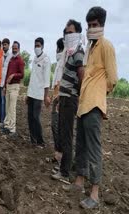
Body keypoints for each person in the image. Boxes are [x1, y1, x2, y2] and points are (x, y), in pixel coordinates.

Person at [63, 7, 118, 209]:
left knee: (94, 148)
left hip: (94, 104)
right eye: (89, 26)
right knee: (81, 146)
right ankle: (79, 180)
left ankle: (94, 193)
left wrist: (99, 93)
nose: (91, 29)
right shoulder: (90, 49)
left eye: (95, 25)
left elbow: (112, 79)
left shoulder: (107, 46)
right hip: (83, 104)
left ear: (102, 25)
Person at [52, 19, 85, 181]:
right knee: (62, 133)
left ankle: (64, 172)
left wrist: (74, 94)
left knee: (66, 135)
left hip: (70, 98)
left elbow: (81, 75)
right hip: (64, 97)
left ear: (78, 34)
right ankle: (63, 166)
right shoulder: (70, 52)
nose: (67, 35)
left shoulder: (78, 52)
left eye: (71, 32)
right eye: (66, 33)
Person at [26, 37, 51, 147]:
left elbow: (46, 80)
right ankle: (32, 139)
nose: (36, 47)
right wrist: (27, 94)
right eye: (35, 45)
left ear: (42, 46)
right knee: (30, 116)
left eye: (38, 45)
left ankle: (40, 140)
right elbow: (32, 79)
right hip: (31, 93)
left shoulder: (46, 60)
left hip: (39, 94)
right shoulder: (35, 59)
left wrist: (46, 96)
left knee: (36, 117)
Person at [2, 41, 25, 136]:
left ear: (18, 49)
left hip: (15, 86)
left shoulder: (20, 60)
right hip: (8, 86)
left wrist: (14, 75)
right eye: (13, 48)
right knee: (7, 107)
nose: (14, 49)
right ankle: (7, 126)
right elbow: (7, 73)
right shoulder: (11, 59)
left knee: (12, 108)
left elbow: (22, 74)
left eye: (16, 48)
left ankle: (12, 129)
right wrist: (4, 86)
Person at [51, 37, 64, 166]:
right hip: (56, 97)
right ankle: (57, 154)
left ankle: (61, 156)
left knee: (58, 127)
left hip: (60, 98)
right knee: (55, 127)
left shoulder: (64, 61)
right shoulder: (59, 62)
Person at [0, 38, 12, 127]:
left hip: (8, 85)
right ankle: (3, 121)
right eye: (3, 45)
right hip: (2, 83)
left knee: (8, 104)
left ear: (9, 45)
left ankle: (7, 123)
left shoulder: (11, 57)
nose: (4, 46)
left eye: (5, 45)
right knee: (2, 103)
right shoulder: (2, 56)